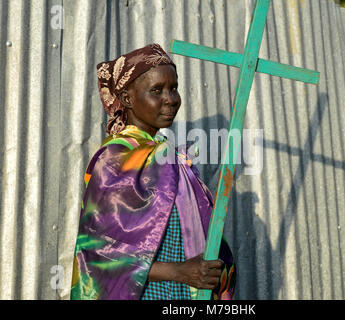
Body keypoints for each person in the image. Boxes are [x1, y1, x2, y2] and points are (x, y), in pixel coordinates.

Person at [70, 43, 235, 300]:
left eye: (174, 88)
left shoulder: (171, 159)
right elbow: (100, 256)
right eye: (156, 90)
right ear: (127, 99)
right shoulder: (114, 161)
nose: (170, 99)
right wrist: (179, 272)